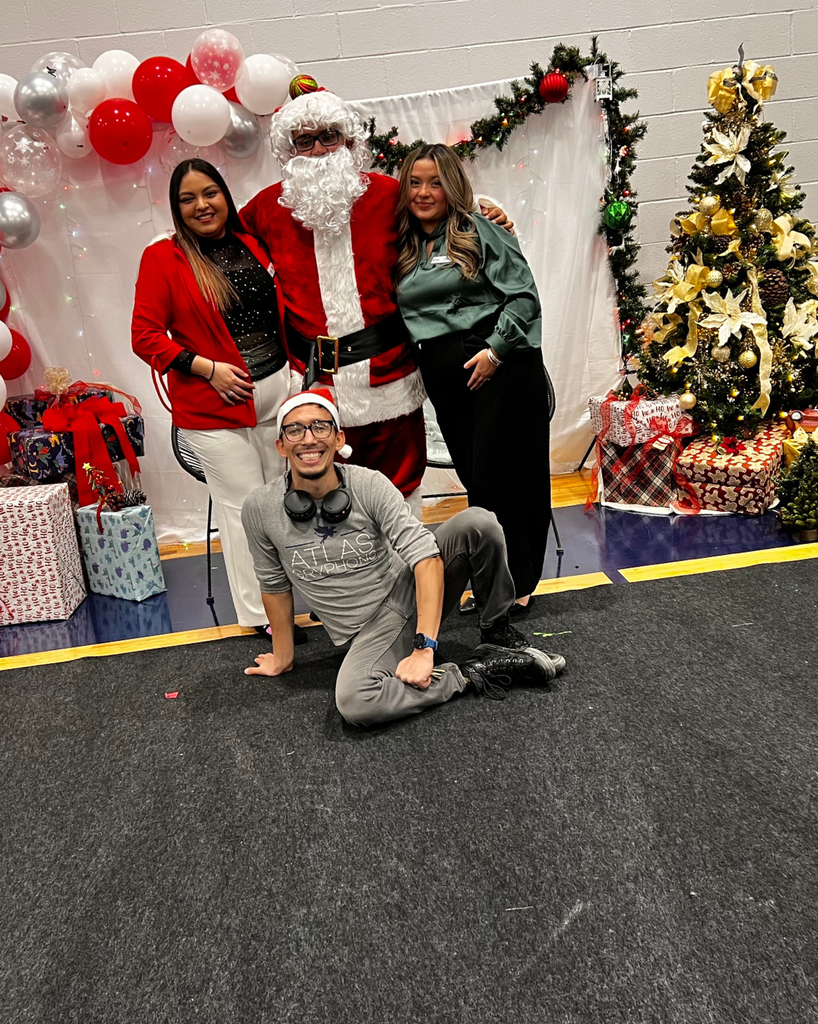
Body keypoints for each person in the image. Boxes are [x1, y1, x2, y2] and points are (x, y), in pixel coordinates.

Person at [240, 89, 511, 507]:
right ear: (288, 150)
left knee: (401, 493)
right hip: (314, 385)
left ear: (349, 141)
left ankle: (409, 572)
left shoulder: (389, 195)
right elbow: (217, 248)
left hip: (390, 378)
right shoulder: (266, 209)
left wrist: (487, 209)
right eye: (304, 140)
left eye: (329, 136)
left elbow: (445, 213)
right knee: (325, 502)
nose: (317, 150)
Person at [241, 389, 565, 727]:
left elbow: (425, 556)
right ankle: (471, 673)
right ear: (280, 445)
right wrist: (283, 657)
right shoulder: (260, 509)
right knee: (357, 702)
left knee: (478, 523)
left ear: (338, 439)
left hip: (402, 594)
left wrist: (425, 648)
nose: (308, 439)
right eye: (295, 430)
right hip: (367, 633)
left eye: (321, 427)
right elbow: (274, 584)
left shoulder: (368, 484)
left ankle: (496, 637)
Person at [131, 158, 299, 637]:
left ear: (225, 194)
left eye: (210, 193)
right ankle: (262, 616)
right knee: (244, 511)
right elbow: (144, 335)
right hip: (214, 413)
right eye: (188, 198)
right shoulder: (164, 257)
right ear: (176, 207)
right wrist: (204, 368)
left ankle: (286, 604)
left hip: (277, 397)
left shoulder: (251, 242)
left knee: (280, 507)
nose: (202, 205)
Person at [394, 143, 552, 612]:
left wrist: (496, 352)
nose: (424, 192)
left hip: (497, 365)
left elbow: (524, 297)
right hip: (445, 375)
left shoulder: (478, 228)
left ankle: (513, 587)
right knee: (476, 479)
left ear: (453, 186)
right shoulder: (403, 244)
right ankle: (493, 580)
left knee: (503, 479)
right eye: (415, 182)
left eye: (436, 182)